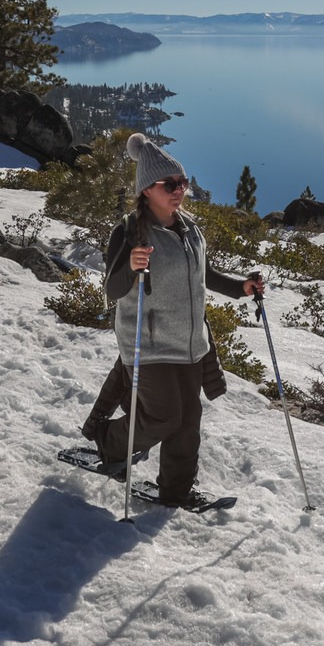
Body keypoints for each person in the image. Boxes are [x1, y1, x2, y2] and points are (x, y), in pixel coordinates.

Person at [80, 133, 263, 506]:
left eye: (183, 182)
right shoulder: (130, 231)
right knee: (164, 417)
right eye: (170, 185)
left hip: (191, 344)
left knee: (188, 423)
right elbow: (112, 290)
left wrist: (241, 288)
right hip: (148, 345)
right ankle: (110, 443)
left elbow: (203, 275)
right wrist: (131, 266)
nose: (179, 190)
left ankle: (176, 492)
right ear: (147, 189)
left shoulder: (189, 228)